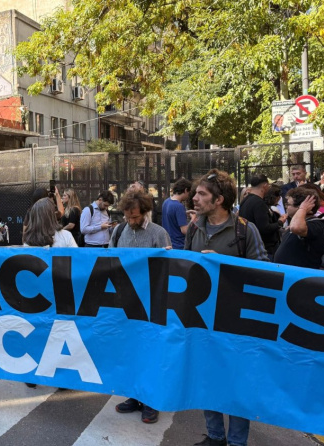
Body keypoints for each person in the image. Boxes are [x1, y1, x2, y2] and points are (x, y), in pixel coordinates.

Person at [184, 170, 267, 446]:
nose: (194, 198)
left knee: (236, 382)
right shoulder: (195, 227)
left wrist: (224, 264)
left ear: (219, 200)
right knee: (207, 377)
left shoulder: (245, 229)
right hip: (203, 318)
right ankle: (216, 436)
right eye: (196, 193)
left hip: (237, 320)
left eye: (201, 194)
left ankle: (237, 441)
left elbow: (263, 273)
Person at [109, 192, 168, 424]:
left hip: (151, 304)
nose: (130, 220)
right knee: (131, 351)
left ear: (144, 211)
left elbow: (167, 268)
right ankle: (134, 396)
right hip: (126, 304)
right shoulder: (119, 230)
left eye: (134, 216)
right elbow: (110, 261)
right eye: (127, 216)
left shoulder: (158, 233)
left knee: (150, 352)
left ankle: (151, 402)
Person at [273, 187, 324, 269]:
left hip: (303, 278)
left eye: (288, 204)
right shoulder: (300, 223)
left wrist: (303, 208)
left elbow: (296, 227)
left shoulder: (317, 224)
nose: (286, 207)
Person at [239, 175, 285, 260]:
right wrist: (280, 222)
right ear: (265, 185)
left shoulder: (245, 201)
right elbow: (264, 228)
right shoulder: (259, 203)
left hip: (249, 246)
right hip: (263, 249)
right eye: (268, 185)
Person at [161, 178, 194, 249]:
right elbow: (185, 230)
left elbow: (171, 217)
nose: (189, 196)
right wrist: (193, 219)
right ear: (185, 190)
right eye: (189, 192)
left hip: (168, 244)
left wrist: (183, 214)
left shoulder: (166, 202)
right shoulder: (179, 206)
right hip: (179, 245)